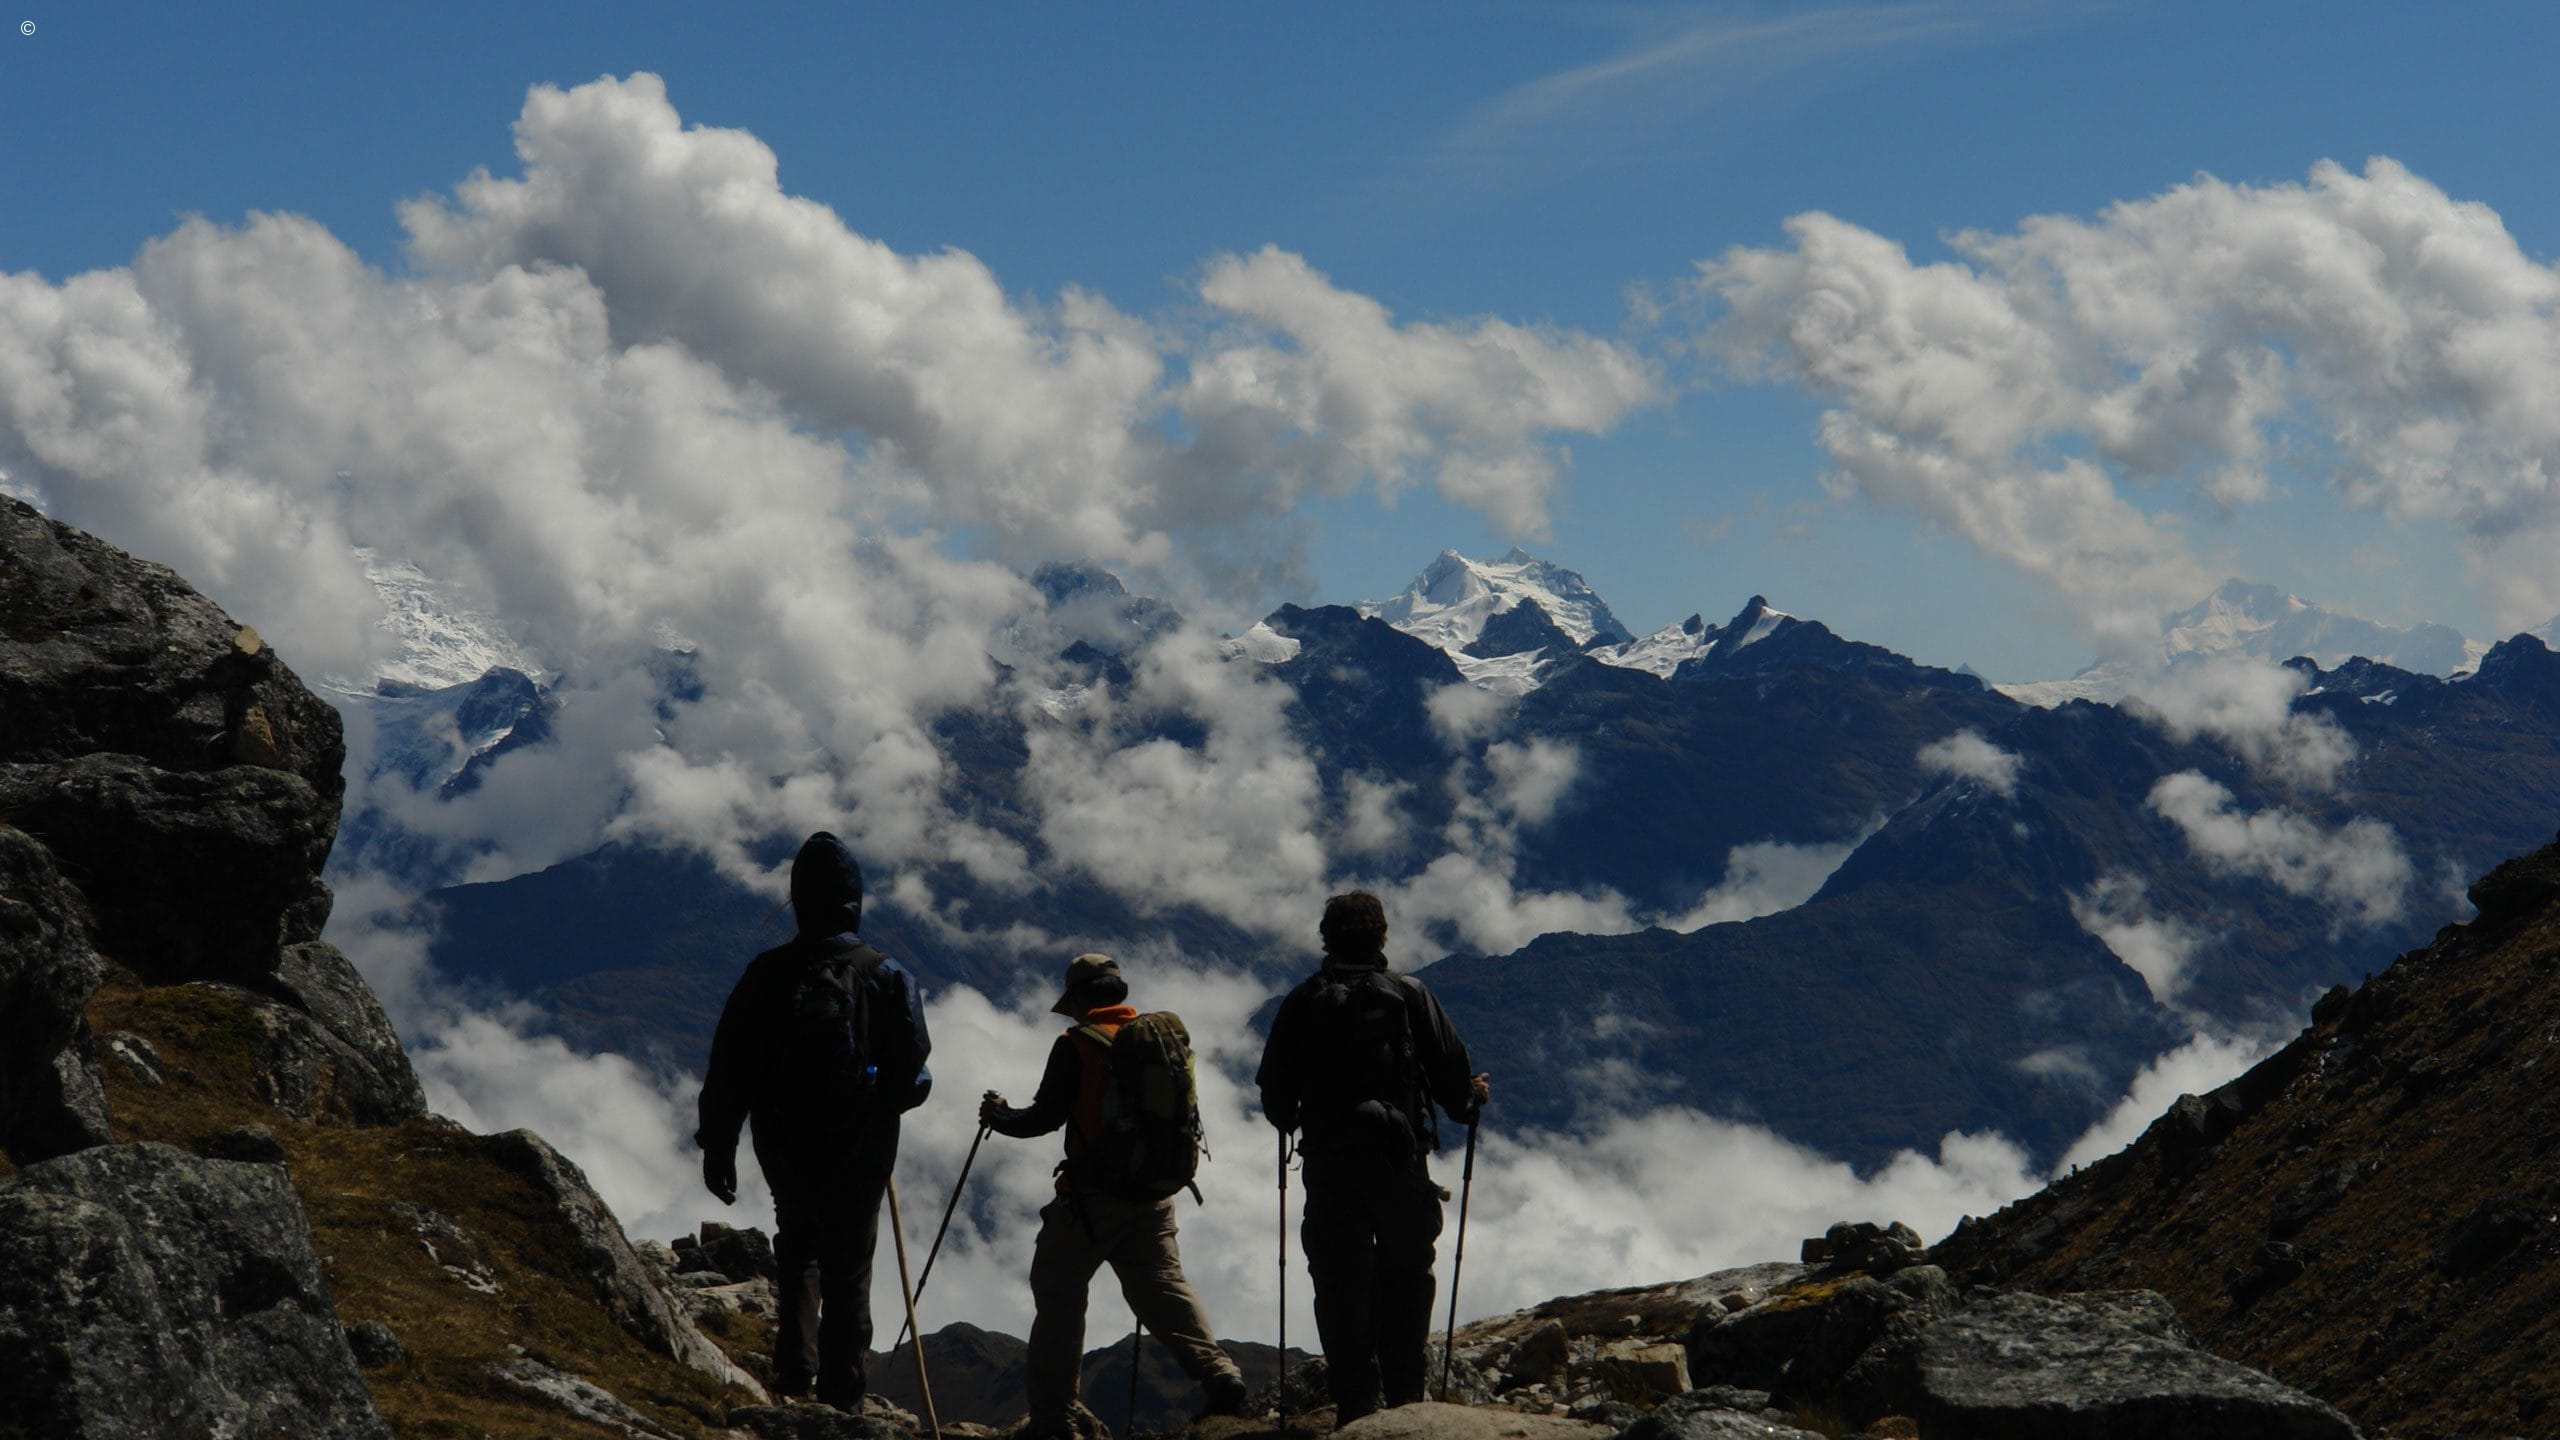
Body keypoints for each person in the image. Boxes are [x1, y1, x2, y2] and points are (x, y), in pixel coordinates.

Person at [697, 831, 932, 1411]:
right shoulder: (886, 973)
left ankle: (793, 1371)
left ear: (799, 899)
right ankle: (843, 1396)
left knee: (798, 1246)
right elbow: (915, 1072)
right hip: (862, 1144)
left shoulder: (766, 974)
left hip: (784, 1139)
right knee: (850, 1263)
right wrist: (890, 1098)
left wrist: (718, 1146)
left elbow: (731, 1068)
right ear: (854, 901)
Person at [980, 952, 1251, 1436]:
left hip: (1090, 1201)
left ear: (1080, 997)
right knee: (1165, 1288)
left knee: (1059, 1297)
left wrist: (998, 1115)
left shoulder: (1076, 1044)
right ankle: (1220, 1374)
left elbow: (1041, 1118)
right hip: (1154, 1197)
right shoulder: (1157, 1039)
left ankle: (1054, 1414)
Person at [1256, 891, 1489, 1425]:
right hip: (1399, 1163)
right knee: (1408, 1273)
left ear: (1326, 938)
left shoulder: (1303, 1000)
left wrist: (1301, 1119)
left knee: (1340, 1280)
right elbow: (1454, 1084)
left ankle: (1355, 1404)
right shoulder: (1409, 994)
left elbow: (1274, 1096)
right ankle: (1407, 1396)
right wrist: (1472, 1097)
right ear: (1381, 937)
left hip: (1330, 1165)